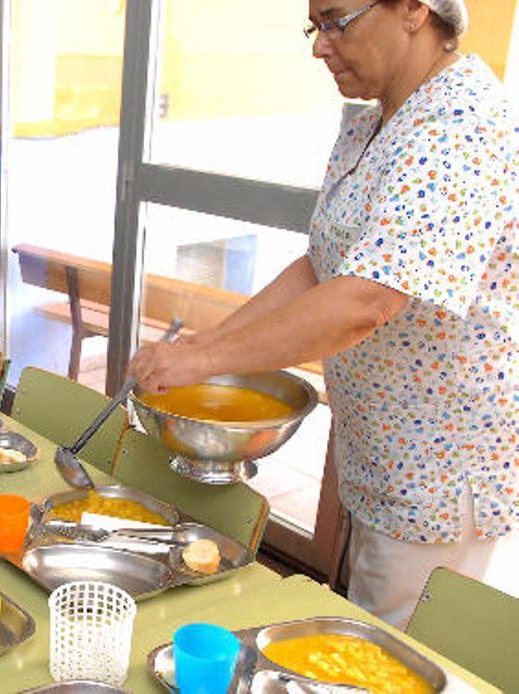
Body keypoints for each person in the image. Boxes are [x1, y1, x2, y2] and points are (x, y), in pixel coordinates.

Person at [129, 0, 516, 629]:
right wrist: (211, 343)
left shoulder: (461, 124)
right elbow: (323, 264)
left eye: (337, 21)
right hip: (383, 448)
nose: (320, 46)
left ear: (415, 10)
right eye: (316, 26)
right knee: (360, 621)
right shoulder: (375, 122)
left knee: (382, 653)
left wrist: (203, 359)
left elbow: (367, 298)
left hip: (439, 469)